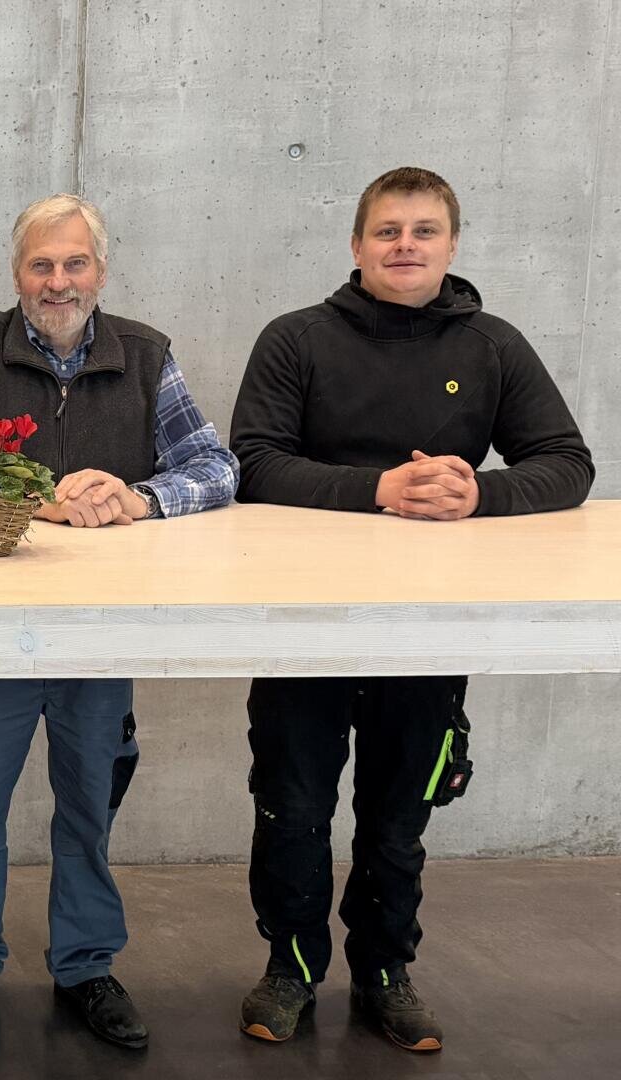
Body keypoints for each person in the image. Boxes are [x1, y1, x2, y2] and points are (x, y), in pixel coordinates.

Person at [230, 166, 594, 1052]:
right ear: (356, 245)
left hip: (431, 621)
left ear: (451, 244)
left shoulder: (493, 346)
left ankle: (386, 974)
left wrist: (480, 495)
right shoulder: (295, 339)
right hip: (303, 618)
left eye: (424, 231)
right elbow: (253, 462)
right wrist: (380, 489)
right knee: (293, 805)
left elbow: (566, 462)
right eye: (387, 231)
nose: (405, 245)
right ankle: (291, 969)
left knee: (398, 816)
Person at [0, 193, 238, 1050]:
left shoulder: (146, 353)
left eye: (74, 263)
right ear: (16, 273)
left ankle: (86, 965)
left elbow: (216, 466)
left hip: (104, 632)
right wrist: (43, 499)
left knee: (90, 805)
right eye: (41, 265)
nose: (57, 282)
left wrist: (138, 497)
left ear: (100, 270)